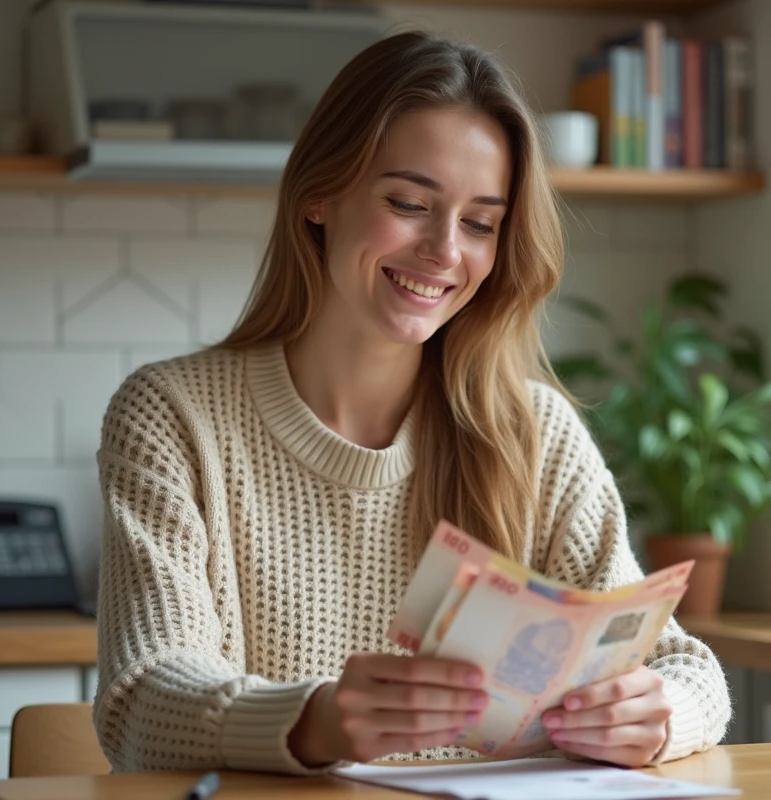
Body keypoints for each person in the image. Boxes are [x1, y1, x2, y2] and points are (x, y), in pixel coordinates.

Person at [92, 29, 731, 776]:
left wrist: (657, 716)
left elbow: (684, 668)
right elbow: (141, 700)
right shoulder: (172, 416)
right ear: (319, 196)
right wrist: (314, 722)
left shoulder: (533, 433)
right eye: (408, 203)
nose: (445, 251)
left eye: (480, 223)